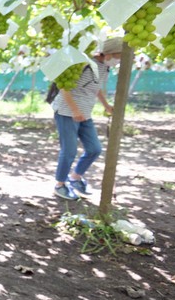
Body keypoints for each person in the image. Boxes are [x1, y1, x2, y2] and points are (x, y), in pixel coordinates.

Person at [51, 37, 124, 201]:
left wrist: (106, 105)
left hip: (84, 113)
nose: (119, 60)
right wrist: (74, 109)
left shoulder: (104, 68)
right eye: (118, 56)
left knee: (94, 149)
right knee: (69, 150)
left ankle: (76, 178)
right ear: (110, 53)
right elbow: (63, 86)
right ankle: (60, 185)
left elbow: (95, 88)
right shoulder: (84, 63)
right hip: (66, 111)